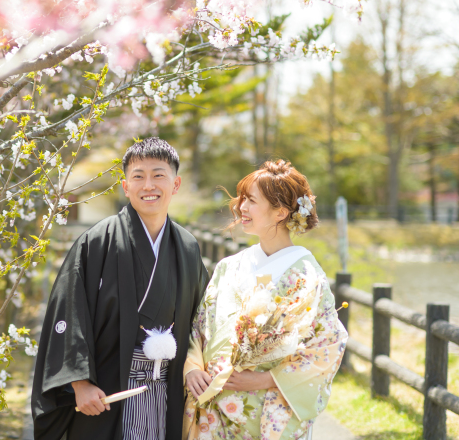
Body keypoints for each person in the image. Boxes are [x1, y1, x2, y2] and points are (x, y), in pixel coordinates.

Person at [32, 138, 209, 440]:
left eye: (158, 175)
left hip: (166, 392)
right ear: (126, 187)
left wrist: (195, 366)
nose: (148, 185)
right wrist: (79, 383)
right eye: (138, 176)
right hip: (106, 393)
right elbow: (69, 313)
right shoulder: (98, 242)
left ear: (175, 184)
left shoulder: (188, 248)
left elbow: (201, 323)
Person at [182, 160, 348, 440]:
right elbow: (200, 326)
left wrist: (264, 379)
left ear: (280, 212)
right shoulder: (229, 266)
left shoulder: (306, 275)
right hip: (214, 404)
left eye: (251, 201)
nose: (241, 208)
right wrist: (192, 368)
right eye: (242, 199)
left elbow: (328, 346)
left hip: (267, 410)